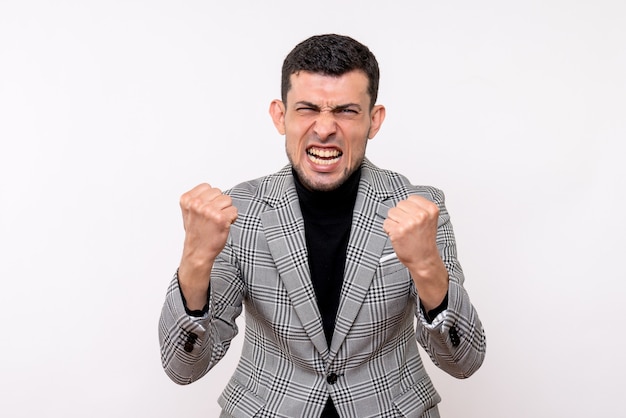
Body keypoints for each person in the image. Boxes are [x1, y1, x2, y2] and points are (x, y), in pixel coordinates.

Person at [159, 34, 486, 418]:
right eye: (307, 109)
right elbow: (183, 367)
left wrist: (427, 267)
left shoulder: (421, 209)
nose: (325, 128)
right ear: (280, 116)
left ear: (373, 120)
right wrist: (195, 260)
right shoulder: (239, 211)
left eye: (346, 111)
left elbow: (463, 362)